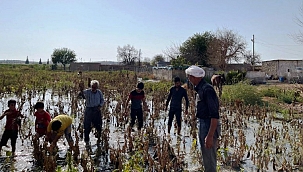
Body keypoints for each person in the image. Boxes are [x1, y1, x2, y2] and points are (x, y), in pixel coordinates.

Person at [185, 65, 221, 172]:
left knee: (209, 157)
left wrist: (210, 136)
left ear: (195, 77)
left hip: (209, 125)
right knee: (206, 156)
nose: (189, 79)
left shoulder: (207, 90)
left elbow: (214, 115)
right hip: (203, 123)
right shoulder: (200, 89)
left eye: (189, 77)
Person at [79, 79, 104, 147]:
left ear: (97, 87)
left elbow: (102, 100)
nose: (93, 88)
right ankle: (86, 141)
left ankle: (99, 139)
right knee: (87, 126)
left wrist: (100, 106)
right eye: (92, 87)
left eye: (95, 87)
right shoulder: (87, 91)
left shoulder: (99, 92)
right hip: (89, 110)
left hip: (97, 110)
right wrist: (81, 89)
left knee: (98, 125)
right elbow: (80, 95)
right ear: (91, 86)